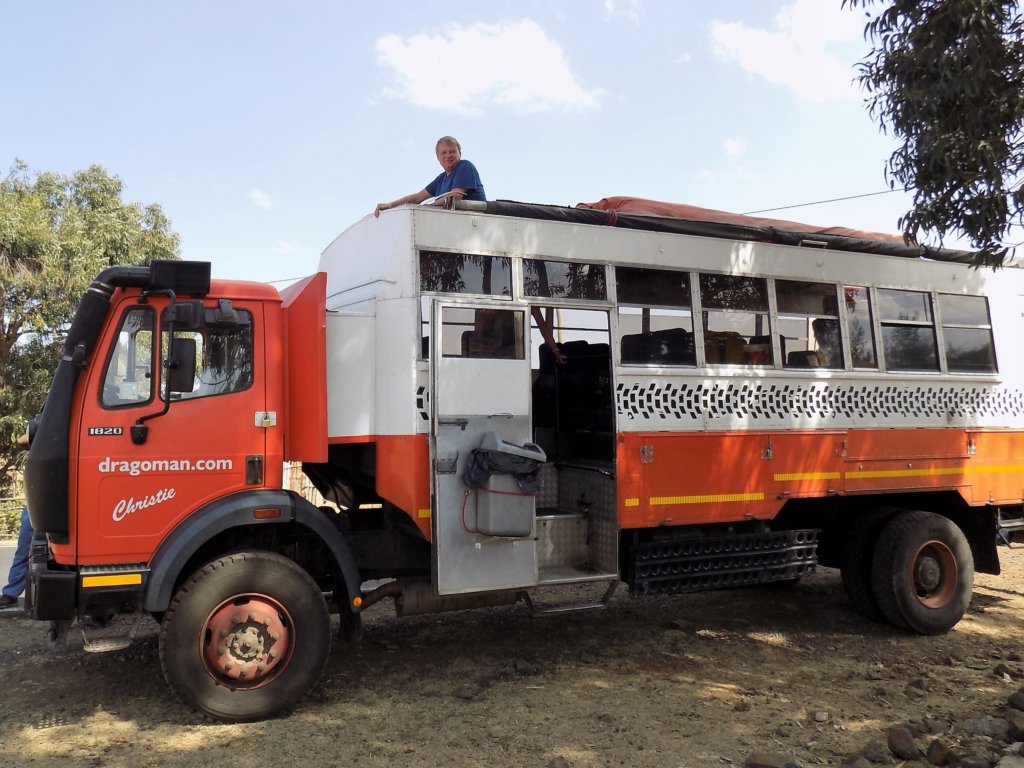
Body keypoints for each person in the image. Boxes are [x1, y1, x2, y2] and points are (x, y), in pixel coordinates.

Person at [374, 136, 486, 217]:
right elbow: (418, 197)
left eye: (452, 151)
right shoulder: (441, 179)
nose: (448, 155)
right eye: (444, 152)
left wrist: (427, 208)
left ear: (459, 154)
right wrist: (391, 204)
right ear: (438, 157)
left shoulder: (465, 166)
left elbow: (455, 197)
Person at [0, 428, 33, 612]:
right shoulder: (45, 418)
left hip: (58, 504)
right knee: (24, 550)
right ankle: (11, 593)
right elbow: (23, 440)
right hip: (36, 505)